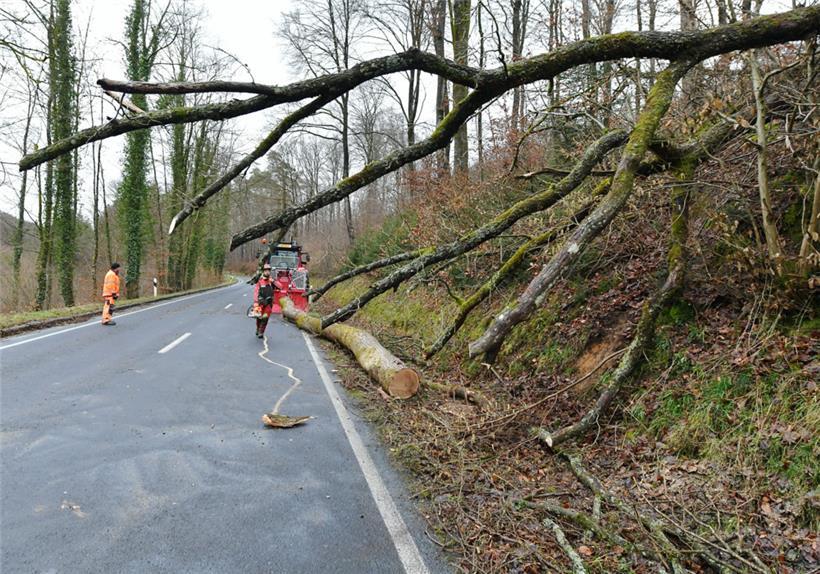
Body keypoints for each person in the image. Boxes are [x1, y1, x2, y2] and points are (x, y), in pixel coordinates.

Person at [253, 263, 275, 338]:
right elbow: (256, 291)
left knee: (265, 317)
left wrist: (273, 282)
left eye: (268, 270)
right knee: (258, 317)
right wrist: (256, 302)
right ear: (263, 271)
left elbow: (280, 287)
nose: (267, 272)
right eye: (265, 270)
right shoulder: (260, 281)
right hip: (260, 303)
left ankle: (261, 332)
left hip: (268, 304)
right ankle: (257, 328)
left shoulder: (272, 281)